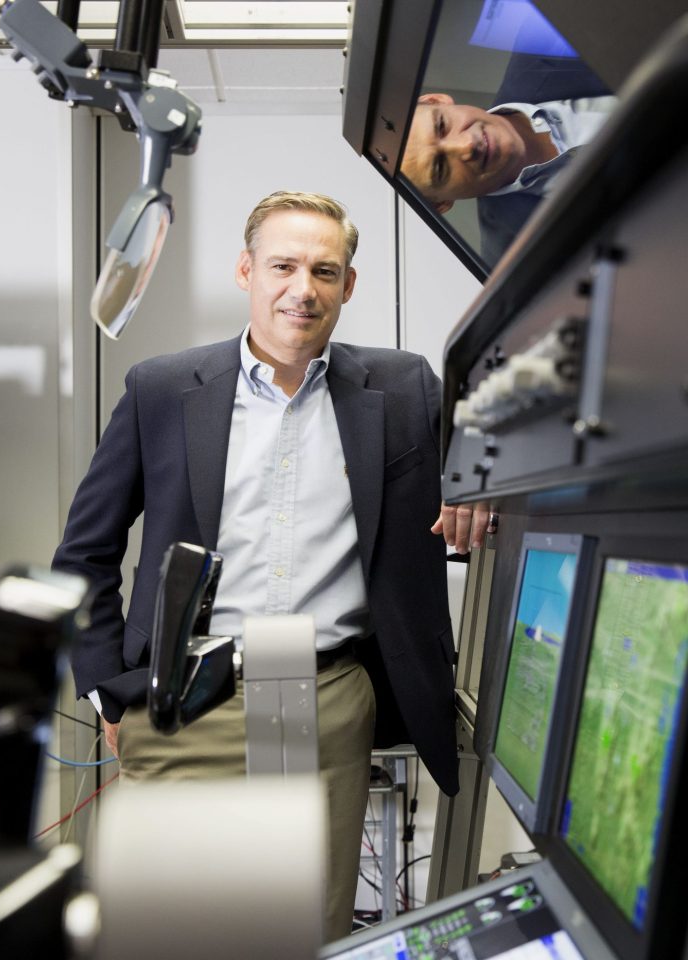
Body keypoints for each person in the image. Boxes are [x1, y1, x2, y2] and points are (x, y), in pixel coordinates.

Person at [52, 191, 490, 940]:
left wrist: (482, 486)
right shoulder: (161, 390)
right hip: (186, 697)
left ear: (348, 286)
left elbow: (490, 452)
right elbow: (84, 552)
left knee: (302, 930)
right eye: (284, 266)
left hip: (327, 697)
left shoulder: (404, 387)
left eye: (326, 271)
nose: (303, 289)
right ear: (246, 271)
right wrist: (107, 690)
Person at [400, 55, 617, 264]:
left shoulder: (544, 41)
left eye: (441, 126)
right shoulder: (521, 259)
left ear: (436, 100)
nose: (466, 144)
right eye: (440, 168)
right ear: (441, 204)